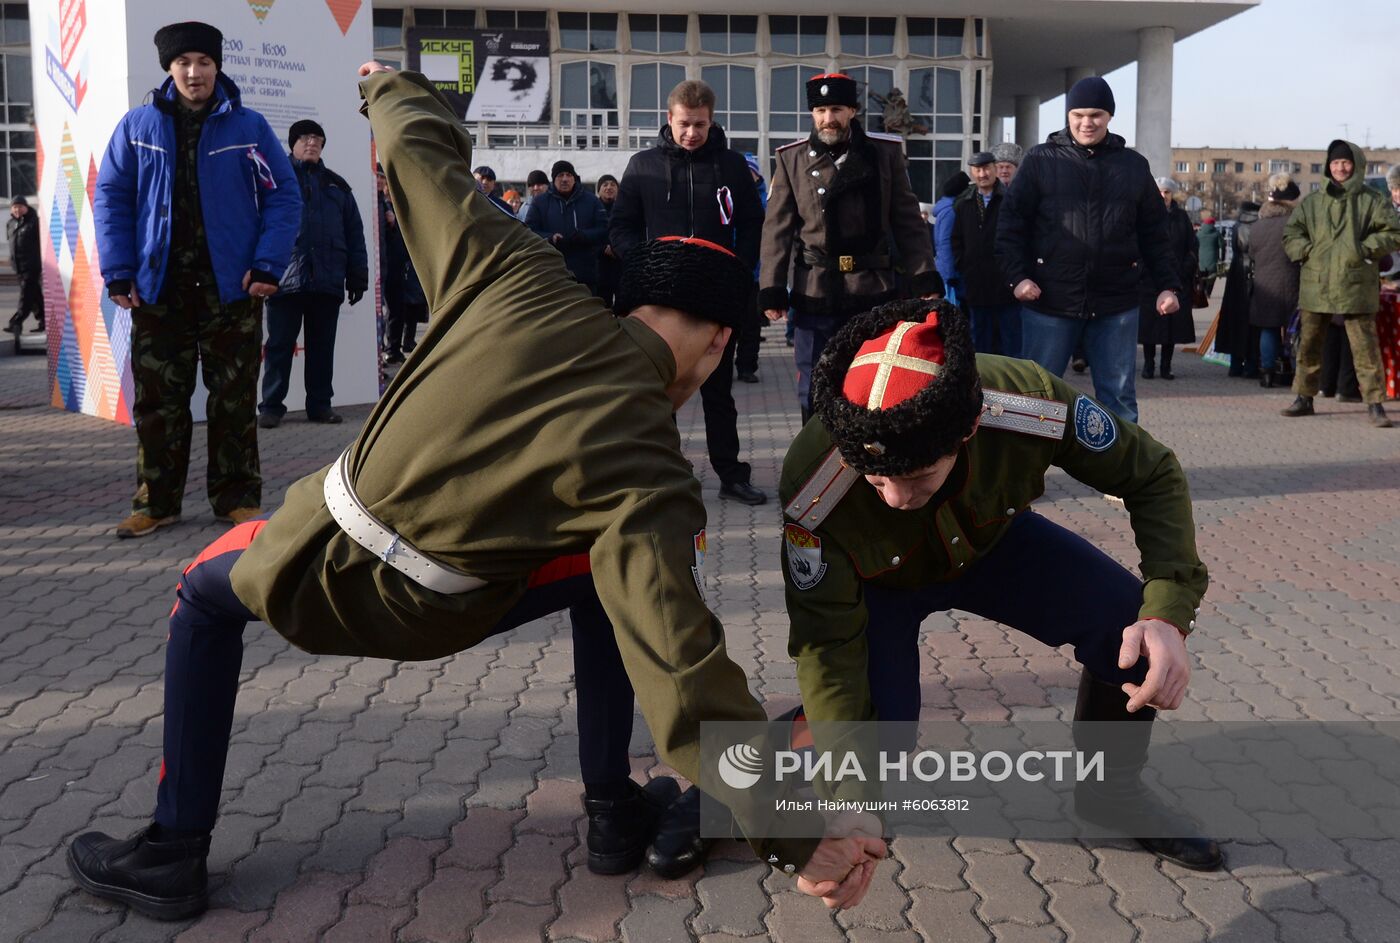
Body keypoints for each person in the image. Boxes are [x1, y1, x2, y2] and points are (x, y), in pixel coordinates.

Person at [65, 64, 886, 923]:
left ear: (633, 298)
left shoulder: (517, 274)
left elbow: (420, 156)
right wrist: (791, 827)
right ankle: (608, 801)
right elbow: (684, 669)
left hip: (323, 551)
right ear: (718, 343)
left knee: (201, 597)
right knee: (621, 581)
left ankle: (173, 845)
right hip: (444, 606)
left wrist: (387, 86)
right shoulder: (652, 473)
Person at [779, 297, 1222, 879]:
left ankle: (1110, 796)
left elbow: (1152, 472)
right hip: (879, 586)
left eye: (915, 476)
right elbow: (826, 650)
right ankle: (742, 780)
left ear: (967, 429)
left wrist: (1168, 611)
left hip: (991, 546)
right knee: (878, 739)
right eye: (876, 478)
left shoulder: (1025, 402)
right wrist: (852, 800)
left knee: (1129, 630)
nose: (892, 498)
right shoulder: (816, 485)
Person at [94, 21, 300, 539]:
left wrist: (269, 263)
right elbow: (112, 199)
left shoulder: (249, 128)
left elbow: (284, 196)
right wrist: (118, 270)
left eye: (204, 62)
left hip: (232, 290)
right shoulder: (137, 127)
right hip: (158, 291)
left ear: (217, 66)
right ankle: (156, 501)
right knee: (158, 403)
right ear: (169, 68)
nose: (194, 72)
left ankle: (236, 498)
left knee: (232, 399)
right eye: (184, 63)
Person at [611, 79, 768, 506]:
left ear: (711, 120)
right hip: (659, 298)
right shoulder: (642, 166)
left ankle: (732, 475)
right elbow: (620, 226)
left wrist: (741, 268)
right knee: (656, 393)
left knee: (718, 392)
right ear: (669, 118)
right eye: (684, 124)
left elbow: (754, 221)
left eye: (699, 124)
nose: (691, 133)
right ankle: (659, 475)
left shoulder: (733, 166)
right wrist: (644, 260)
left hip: (715, 295)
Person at [996, 76, 1180, 424]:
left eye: (1096, 114)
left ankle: (1124, 476)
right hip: (1048, 300)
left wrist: (1168, 285)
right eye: (1078, 114)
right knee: (1037, 399)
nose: (1086, 122)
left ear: (1109, 116)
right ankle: (1027, 475)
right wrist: (1017, 278)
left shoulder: (1133, 166)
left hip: (1116, 303)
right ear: (1068, 116)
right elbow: (1010, 226)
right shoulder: (1040, 160)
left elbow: (1156, 233)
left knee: (1119, 399)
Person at [759, 73, 942, 422]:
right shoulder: (791, 159)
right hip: (815, 289)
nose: (829, 118)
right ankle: (814, 464)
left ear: (853, 111)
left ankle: (864, 461)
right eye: (821, 110)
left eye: (837, 109)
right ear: (812, 114)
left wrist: (925, 277)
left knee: (871, 380)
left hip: (872, 288)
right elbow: (777, 229)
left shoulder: (884, 154)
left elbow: (907, 222)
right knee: (814, 383)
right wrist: (771, 288)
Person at [257, 119, 369, 429]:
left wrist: (357, 275)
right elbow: (259, 228)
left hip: (327, 279)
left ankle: (320, 405)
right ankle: (271, 406)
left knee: (322, 348)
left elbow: (354, 233)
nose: (312, 143)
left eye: (318, 139)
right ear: (292, 144)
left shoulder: (337, 186)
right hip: (284, 279)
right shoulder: (274, 182)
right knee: (279, 346)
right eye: (305, 138)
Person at [1281, 140, 1400, 428]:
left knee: (1365, 348)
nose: (1340, 168)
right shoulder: (1313, 202)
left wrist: (1363, 248)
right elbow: (1291, 234)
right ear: (1328, 166)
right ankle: (1304, 398)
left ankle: (1375, 404)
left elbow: (1393, 232)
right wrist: (1306, 251)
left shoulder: (1372, 200)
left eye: (1345, 162)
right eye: (1335, 163)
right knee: (1309, 345)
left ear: (1356, 164)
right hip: (1317, 284)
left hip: (1356, 285)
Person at [953, 152, 1019, 356]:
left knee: (1011, 340)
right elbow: (956, 240)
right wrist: (962, 266)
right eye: (977, 170)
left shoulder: (1010, 199)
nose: (982, 174)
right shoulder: (964, 203)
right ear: (972, 172)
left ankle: (1013, 385)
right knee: (980, 339)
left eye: (986, 168)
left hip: (1006, 283)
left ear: (995, 169)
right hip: (976, 283)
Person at [1245, 173, 1301, 389]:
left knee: (1267, 329)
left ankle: (1266, 373)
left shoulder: (1258, 225)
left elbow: (1252, 254)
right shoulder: (1294, 223)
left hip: (1264, 285)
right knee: (1294, 330)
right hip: (1291, 283)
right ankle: (1294, 372)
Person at [1138, 178, 1197, 380]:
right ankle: (1148, 365)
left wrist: (1185, 269)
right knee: (1149, 328)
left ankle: (1166, 366)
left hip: (1176, 280)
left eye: (1167, 192)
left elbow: (1192, 247)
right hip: (1149, 281)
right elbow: (1140, 245)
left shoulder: (1181, 218)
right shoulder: (1147, 215)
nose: (1164, 195)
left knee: (1172, 328)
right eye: (1161, 192)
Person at [525, 160, 609, 293]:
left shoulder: (591, 201)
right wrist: (549, 237)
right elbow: (528, 231)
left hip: (585, 272)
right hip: (551, 272)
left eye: (569, 175)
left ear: (574, 178)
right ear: (554, 179)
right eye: (560, 175)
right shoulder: (540, 202)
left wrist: (585, 235)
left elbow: (604, 229)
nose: (565, 179)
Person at [376, 165, 426, 365]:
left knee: (398, 310)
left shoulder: (391, 206)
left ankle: (393, 348)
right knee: (383, 312)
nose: (380, 182)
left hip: (396, 265)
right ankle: (382, 352)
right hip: (380, 266)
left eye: (382, 179)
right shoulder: (371, 201)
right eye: (377, 178)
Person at [1215, 201, 1261, 377]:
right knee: (1252, 322)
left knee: (1234, 320)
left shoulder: (1236, 226)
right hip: (1254, 274)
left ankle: (1235, 365)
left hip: (1236, 274)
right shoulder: (1258, 226)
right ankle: (1251, 365)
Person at [735, 152, 767, 384]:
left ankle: (747, 366)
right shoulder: (728, 196)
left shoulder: (766, 200)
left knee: (751, 324)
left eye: (751, 172)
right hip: (729, 268)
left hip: (755, 273)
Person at [932, 171, 970, 309]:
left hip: (947, 270)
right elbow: (946, 243)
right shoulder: (951, 211)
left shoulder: (947, 209)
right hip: (950, 274)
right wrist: (950, 276)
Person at [6, 195, 43, 335]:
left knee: (25, 296)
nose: (17, 210)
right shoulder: (10, 224)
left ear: (26, 207)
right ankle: (44, 321)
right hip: (19, 267)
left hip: (32, 266)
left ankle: (16, 322)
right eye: (14, 207)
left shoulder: (34, 223)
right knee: (34, 295)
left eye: (20, 206)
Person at [594, 174, 621, 308]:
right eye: (605, 184)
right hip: (598, 264)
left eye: (612, 184)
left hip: (621, 261)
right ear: (599, 190)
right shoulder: (592, 208)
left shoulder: (625, 208)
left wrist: (617, 248)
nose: (609, 187)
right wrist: (603, 248)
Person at [1196, 215, 1221, 298]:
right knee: (1212, 276)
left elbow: (1194, 245)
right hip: (1213, 258)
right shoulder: (1216, 234)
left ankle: (1202, 291)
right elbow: (1222, 245)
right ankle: (1208, 292)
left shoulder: (1199, 234)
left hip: (1201, 259)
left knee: (1202, 276)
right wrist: (1222, 257)